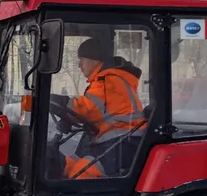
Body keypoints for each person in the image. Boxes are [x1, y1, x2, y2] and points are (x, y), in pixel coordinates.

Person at [51, 38, 145, 179]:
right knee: (67, 165)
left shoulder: (109, 80)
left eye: (82, 59)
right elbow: (91, 112)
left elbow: (87, 108)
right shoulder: (104, 80)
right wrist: (68, 116)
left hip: (124, 144)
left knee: (82, 173)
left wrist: (57, 100)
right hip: (109, 141)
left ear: (94, 60)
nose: (79, 65)